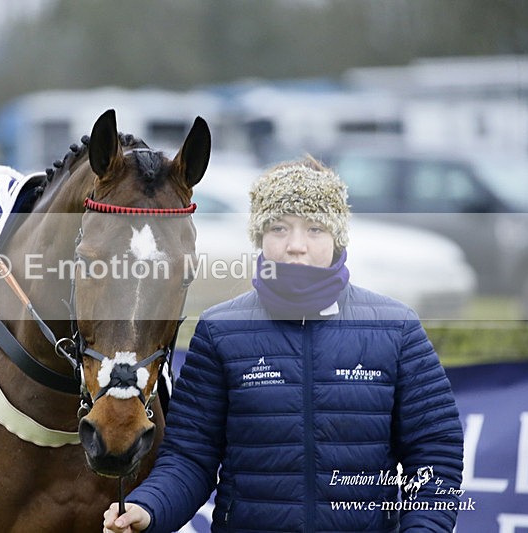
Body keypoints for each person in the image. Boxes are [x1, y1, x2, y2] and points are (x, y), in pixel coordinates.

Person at [103, 157, 464, 532]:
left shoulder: (396, 327)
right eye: (279, 228)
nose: (296, 246)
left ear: (337, 237)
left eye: (315, 229)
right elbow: (190, 458)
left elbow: (435, 454)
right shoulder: (219, 330)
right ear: (259, 238)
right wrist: (148, 510)